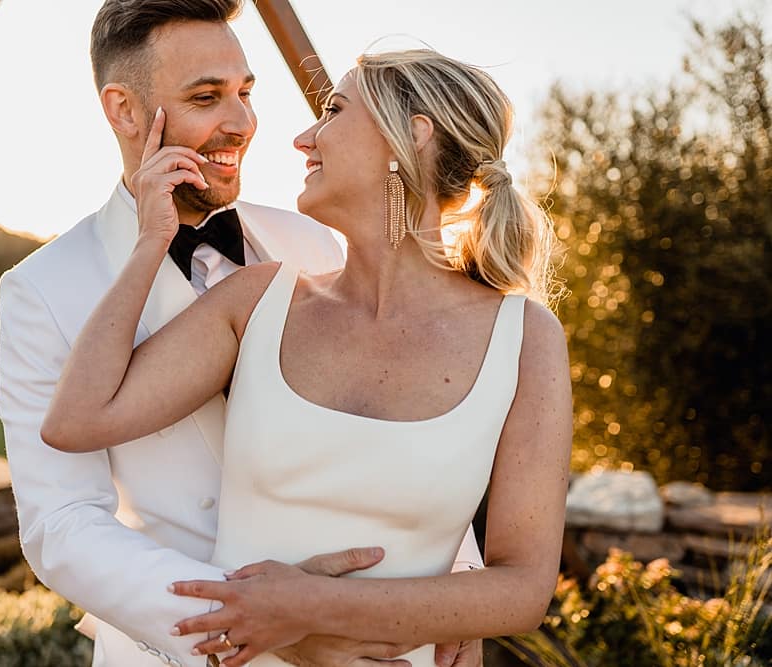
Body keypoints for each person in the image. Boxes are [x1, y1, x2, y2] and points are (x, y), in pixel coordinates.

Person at [41, 39, 573, 667]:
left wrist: (311, 609)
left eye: (334, 112)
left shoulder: (525, 338)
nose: (303, 139)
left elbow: (522, 588)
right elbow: (77, 420)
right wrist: (150, 240)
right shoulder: (259, 301)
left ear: (412, 136)